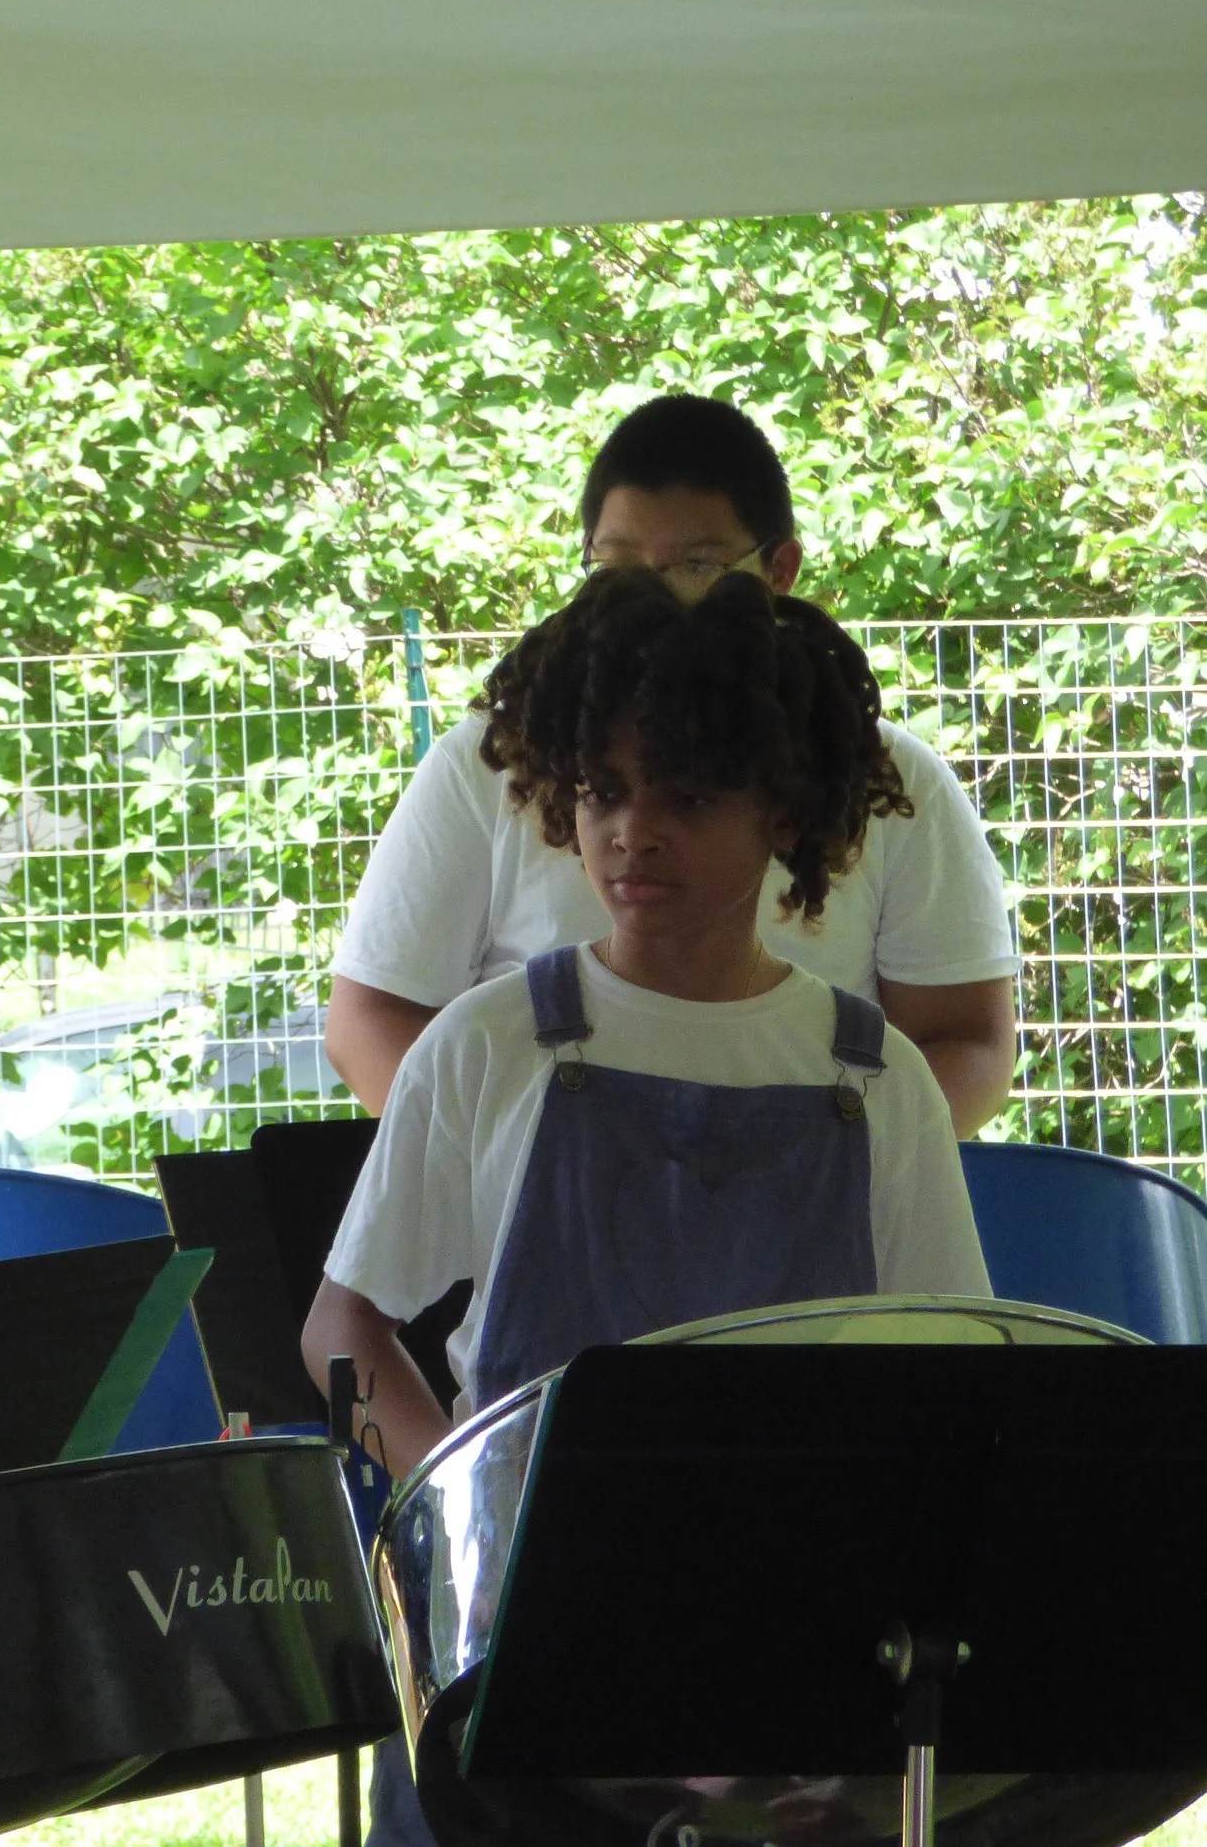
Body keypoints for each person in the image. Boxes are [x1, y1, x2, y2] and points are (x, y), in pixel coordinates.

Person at [301, 567, 992, 1847]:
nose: (633, 833)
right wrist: (467, 1514)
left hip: (798, 1660)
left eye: (687, 796)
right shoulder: (485, 1044)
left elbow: (948, 1374)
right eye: (603, 793)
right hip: (524, 1648)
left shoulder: (873, 1076)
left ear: (785, 811)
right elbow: (342, 1325)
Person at [324, 393, 1018, 1138]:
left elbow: (968, 1039)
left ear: (779, 568)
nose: (648, 597)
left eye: (694, 565)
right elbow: (370, 1017)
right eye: (615, 567)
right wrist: (497, 1168)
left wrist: (827, 1170)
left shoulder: (886, 779)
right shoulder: (490, 760)